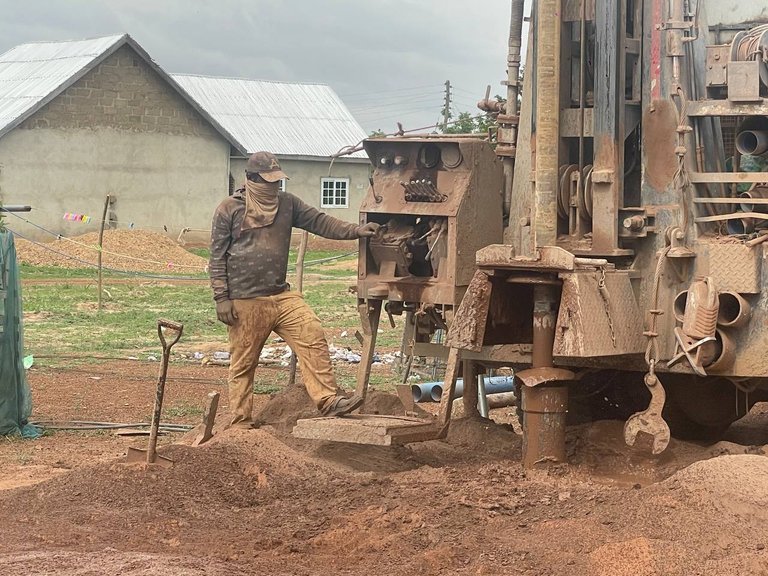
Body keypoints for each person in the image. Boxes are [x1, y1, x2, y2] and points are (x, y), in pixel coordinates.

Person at [209, 151, 379, 428]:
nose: (274, 187)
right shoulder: (230, 209)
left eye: (277, 182)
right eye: (268, 182)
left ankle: (328, 400)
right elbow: (216, 257)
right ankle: (240, 421)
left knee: (311, 332)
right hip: (245, 299)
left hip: (281, 294)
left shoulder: (287, 204)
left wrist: (356, 230)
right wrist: (221, 297)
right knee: (244, 362)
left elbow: (321, 221)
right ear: (251, 179)